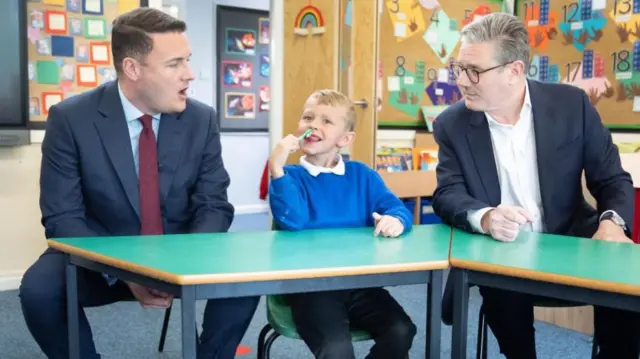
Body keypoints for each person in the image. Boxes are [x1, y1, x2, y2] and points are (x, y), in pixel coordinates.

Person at [19, 8, 259, 359]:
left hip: (182, 254)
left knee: (246, 274)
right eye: (174, 64)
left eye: (187, 61)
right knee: (39, 290)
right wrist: (130, 274)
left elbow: (213, 205)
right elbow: (63, 219)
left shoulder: (201, 119)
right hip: (101, 259)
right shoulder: (70, 119)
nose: (189, 75)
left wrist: (184, 269)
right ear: (132, 68)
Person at [432, 12, 640, 359]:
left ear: (513, 71)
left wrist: (612, 223)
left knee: (627, 300)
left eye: (474, 71)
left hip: (571, 242)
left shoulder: (571, 105)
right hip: (501, 254)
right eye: (458, 68)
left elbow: (612, 179)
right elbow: (447, 193)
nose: (462, 81)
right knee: (506, 308)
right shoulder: (451, 124)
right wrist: (485, 218)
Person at [268, 89, 417, 359]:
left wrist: (395, 220)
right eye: (308, 117)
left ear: (345, 139)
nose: (313, 124)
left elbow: (395, 207)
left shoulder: (362, 175)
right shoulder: (290, 177)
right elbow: (293, 221)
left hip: (359, 284)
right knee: (336, 349)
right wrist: (276, 169)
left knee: (401, 330)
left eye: (326, 121)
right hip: (310, 287)